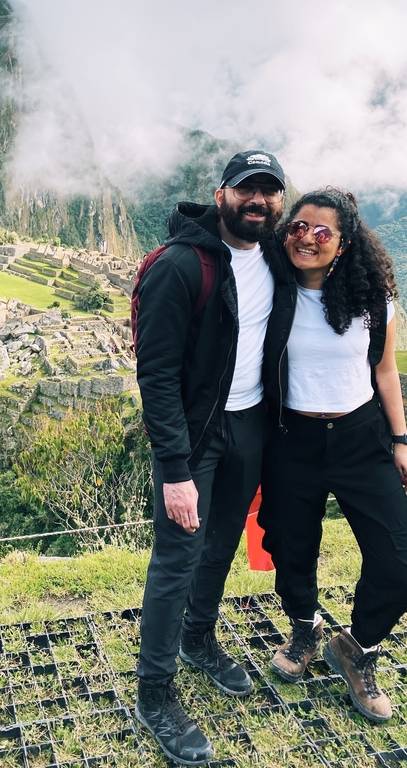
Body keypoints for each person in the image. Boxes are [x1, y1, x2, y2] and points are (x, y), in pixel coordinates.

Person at [134, 150, 295, 765]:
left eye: (269, 192)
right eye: (247, 189)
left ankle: (198, 639)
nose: (258, 200)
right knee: (177, 558)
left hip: (250, 426)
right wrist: (175, 470)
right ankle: (155, 693)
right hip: (197, 440)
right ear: (222, 193)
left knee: (223, 541)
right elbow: (157, 373)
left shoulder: (276, 258)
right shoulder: (182, 266)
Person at [260, 188, 407, 724]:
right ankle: (304, 627)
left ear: (344, 244)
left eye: (321, 232)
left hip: (361, 437)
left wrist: (401, 443)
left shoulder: (373, 301)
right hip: (292, 438)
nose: (306, 238)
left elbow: (384, 372)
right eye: (298, 227)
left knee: (400, 565)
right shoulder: (271, 291)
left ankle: (357, 648)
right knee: (291, 544)